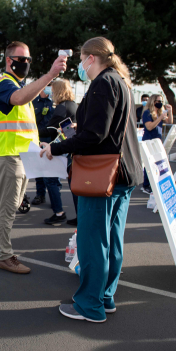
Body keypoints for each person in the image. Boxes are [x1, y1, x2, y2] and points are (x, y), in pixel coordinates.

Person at [40, 36, 142, 322]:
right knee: (112, 239)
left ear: (91, 58)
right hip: (123, 174)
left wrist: (56, 147)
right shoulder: (120, 82)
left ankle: (89, 305)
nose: (80, 66)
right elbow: (108, 129)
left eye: (81, 60)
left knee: (93, 241)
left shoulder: (102, 84)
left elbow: (95, 136)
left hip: (103, 177)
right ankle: (105, 297)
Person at [0, 41, 67, 274]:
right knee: (8, 207)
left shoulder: (18, 85)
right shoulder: (4, 85)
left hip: (21, 155)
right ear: (8, 60)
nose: (25, 63)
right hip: (9, 156)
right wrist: (51, 75)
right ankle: (4, 255)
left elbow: (23, 125)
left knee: (11, 205)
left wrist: (38, 143)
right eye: (21, 59)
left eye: (28, 60)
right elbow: (19, 99)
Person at [38, 78, 78, 226]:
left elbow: (50, 129)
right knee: (73, 183)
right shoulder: (73, 105)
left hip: (61, 148)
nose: (51, 92)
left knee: (50, 179)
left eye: (53, 90)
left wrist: (31, 131)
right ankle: (80, 215)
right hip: (70, 147)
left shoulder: (62, 107)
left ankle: (59, 213)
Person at [140, 94, 173, 194]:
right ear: (153, 101)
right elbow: (149, 127)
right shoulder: (147, 113)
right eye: (158, 101)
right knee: (149, 163)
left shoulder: (159, 112)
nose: (160, 103)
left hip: (157, 140)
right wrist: (160, 118)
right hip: (149, 140)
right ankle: (146, 185)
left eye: (161, 101)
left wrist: (170, 112)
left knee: (156, 163)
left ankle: (153, 183)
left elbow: (169, 122)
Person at [31, 87, 55, 205]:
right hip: (38, 140)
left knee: (51, 171)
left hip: (49, 141)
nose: (48, 90)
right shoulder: (33, 102)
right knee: (39, 169)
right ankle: (40, 195)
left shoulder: (52, 103)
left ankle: (55, 199)